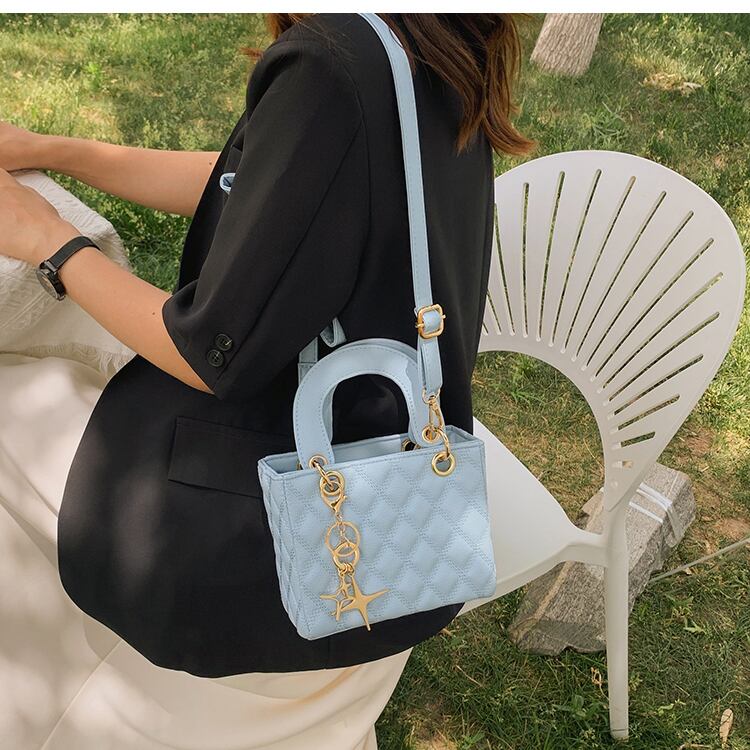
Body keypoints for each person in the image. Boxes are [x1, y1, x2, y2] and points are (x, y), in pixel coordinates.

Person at [0, 13, 532, 749]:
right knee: (69, 357)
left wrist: (48, 240)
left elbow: (207, 353)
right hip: (385, 444)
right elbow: (270, 191)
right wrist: (59, 152)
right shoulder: (429, 35)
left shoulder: (331, 65)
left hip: (260, 524)